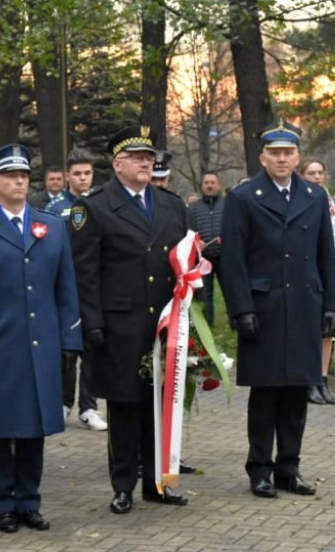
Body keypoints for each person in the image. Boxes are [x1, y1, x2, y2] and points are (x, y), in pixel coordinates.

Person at [0, 144, 82, 533]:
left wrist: (69, 341)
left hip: (41, 344)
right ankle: (3, 503)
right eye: (10, 176)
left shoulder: (51, 226)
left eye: (24, 176)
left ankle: (29, 500)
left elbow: (66, 289)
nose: (20, 182)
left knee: (34, 428)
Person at [70, 125, 191, 514]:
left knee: (161, 405)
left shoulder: (171, 205)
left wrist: (191, 312)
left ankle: (159, 482)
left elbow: (186, 266)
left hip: (166, 322)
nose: (146, 162)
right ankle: (123, 485)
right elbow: (84, 272)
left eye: (149, 157)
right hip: (120, 324)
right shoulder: (95, 206)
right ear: (117, 164)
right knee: (124, 407)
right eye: (138, 158)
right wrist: (92, 323)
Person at [222, 119, 335, 499]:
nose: (282, 159)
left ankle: (290, 467)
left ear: (298, 157)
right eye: (275, 153)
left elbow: (326, 253)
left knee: (297, 392)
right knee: (266, 393)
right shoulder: (243, 197)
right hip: (264, 306)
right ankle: (260, 469)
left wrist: (332, 304)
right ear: (262, 157)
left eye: (288, 153)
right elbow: (233, 259)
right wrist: (241, 309)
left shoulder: (315, 195)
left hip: (305, 303)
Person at [45, 150, 106, 431]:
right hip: (63, 287)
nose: (83, 178)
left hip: (93, 287)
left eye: (87, 173)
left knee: (93, 347)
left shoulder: (99, 204)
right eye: (77, 173)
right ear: (68, 176)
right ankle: (63, 402)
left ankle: (89, 406)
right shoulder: (55, 208)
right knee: (65, 347)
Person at [299, 159, 335, 405]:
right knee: (309, 325)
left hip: (331, 271)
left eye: (320, 173)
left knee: (329, 327)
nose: (317, 177)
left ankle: (322, 378)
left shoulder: (332, 203)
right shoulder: (299, 200)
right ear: (302, 175)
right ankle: (307, 379)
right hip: (307, 271)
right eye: (311, 173)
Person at [188, 171, 226, 326]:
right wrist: (197, 242)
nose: (210, 185)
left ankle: (236, 323)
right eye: (206, 183)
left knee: (230, 291)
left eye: (212, 182)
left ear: (218, 185)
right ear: (201, 186)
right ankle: (208, 324)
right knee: (206, 294)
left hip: (225, 256)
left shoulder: (228, 204)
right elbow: (189, 230)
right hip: (203, 258)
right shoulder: (193, 207)